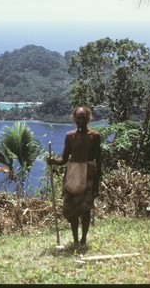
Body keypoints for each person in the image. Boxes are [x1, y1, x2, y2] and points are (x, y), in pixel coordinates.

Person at [47, 106, 102, 248]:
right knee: (70, 209)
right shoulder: (70, 136)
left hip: (89, 174)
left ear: (88, 118)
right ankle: (75, 240)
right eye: (78, 117)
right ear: (74, 118)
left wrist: (97, 184)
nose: (81, 120)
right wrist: (54, 161)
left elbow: (99, 161)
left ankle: (83, 240)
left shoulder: (94, 136)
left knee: (86, 209)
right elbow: (64, 159)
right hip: (73, 175)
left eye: (84, 117)